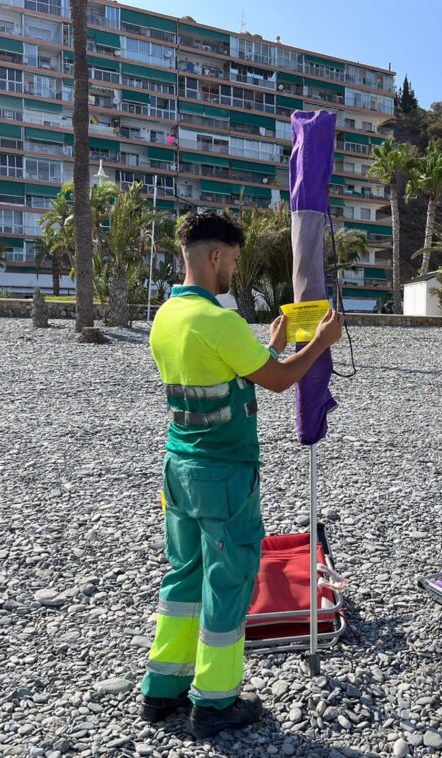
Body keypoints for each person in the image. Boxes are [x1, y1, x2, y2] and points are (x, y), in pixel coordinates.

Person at [139, 211, 342, 738]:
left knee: (183, 576)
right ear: (214, 256)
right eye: (232, 259)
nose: (233, 269)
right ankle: (216, 700)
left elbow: (224, 373)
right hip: (223, 474)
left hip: (178, 466)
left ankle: (162, 690)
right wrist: (319, 342)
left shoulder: (166, 317)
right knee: (227, 582)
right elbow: (276, 382)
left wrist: (271, 345)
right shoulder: (219, 321)